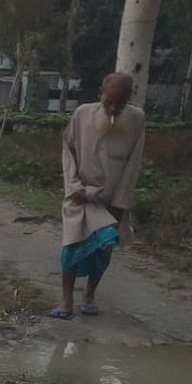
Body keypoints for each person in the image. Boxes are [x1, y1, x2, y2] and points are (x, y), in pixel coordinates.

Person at [51, 72, 146, 318]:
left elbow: (133, 166)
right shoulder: (82, 114)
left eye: (120, 102)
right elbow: (67, 151)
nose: (113, 108)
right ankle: (66, 300)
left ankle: (90, 294)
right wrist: (74, 188)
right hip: (80, 194)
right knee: (72, 245)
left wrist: (120, 204)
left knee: (103, 248)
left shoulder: (136, 120)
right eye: (109, 101)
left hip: (111, 198)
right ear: (100, 95)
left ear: (129, 99)